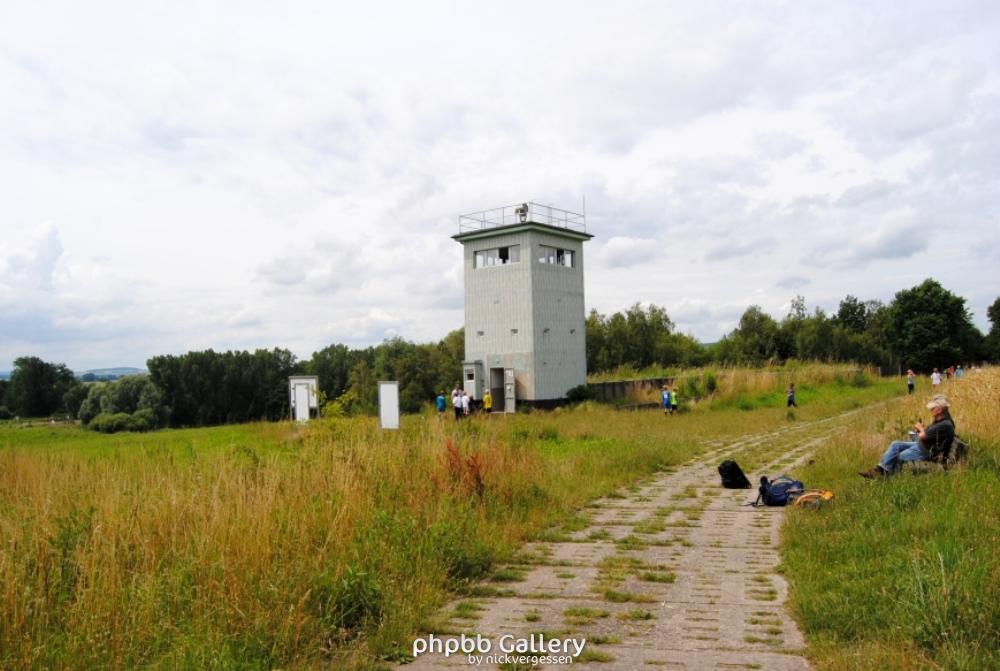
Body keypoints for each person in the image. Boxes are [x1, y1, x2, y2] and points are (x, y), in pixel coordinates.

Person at [859, 395, 955, 478]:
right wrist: (922, 430)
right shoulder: (941, 420)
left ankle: (886, 475)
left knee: (899, 456)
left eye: (933, 408)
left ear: (940, 410)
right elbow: (931, 434)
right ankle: (880, 470)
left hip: (926, 451)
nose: (931, 409)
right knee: (895, 444)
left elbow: (922, 436)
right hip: (923, 445)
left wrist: (920, 428)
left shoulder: (944, 424)